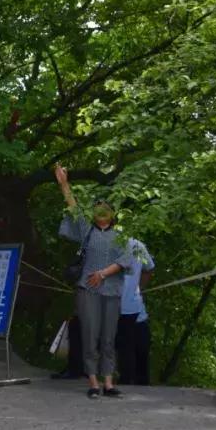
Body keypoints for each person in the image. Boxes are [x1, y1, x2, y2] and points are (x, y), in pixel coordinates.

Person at [54, 164, 134, 399]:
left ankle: (109, 382)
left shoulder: (122, 234)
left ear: (113, 212)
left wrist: (103, 273)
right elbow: (73, 206)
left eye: (106, 207)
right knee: (90, 335)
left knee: (109, 337)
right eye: (98, 207)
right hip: (87, 290)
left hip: (112, 290)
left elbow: (125, 259)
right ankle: (93, 382)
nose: (102, 211)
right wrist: (63, 184)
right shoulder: (85, 230)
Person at [117, 238, 155, 386]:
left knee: (139, 341)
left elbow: (149, 268)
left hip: (132, 305)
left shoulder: (137, 245)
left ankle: (140, 380)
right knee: (123, 344)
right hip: (111, 304)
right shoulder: (103, 243)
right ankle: (125, 379)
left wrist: (139, 288)